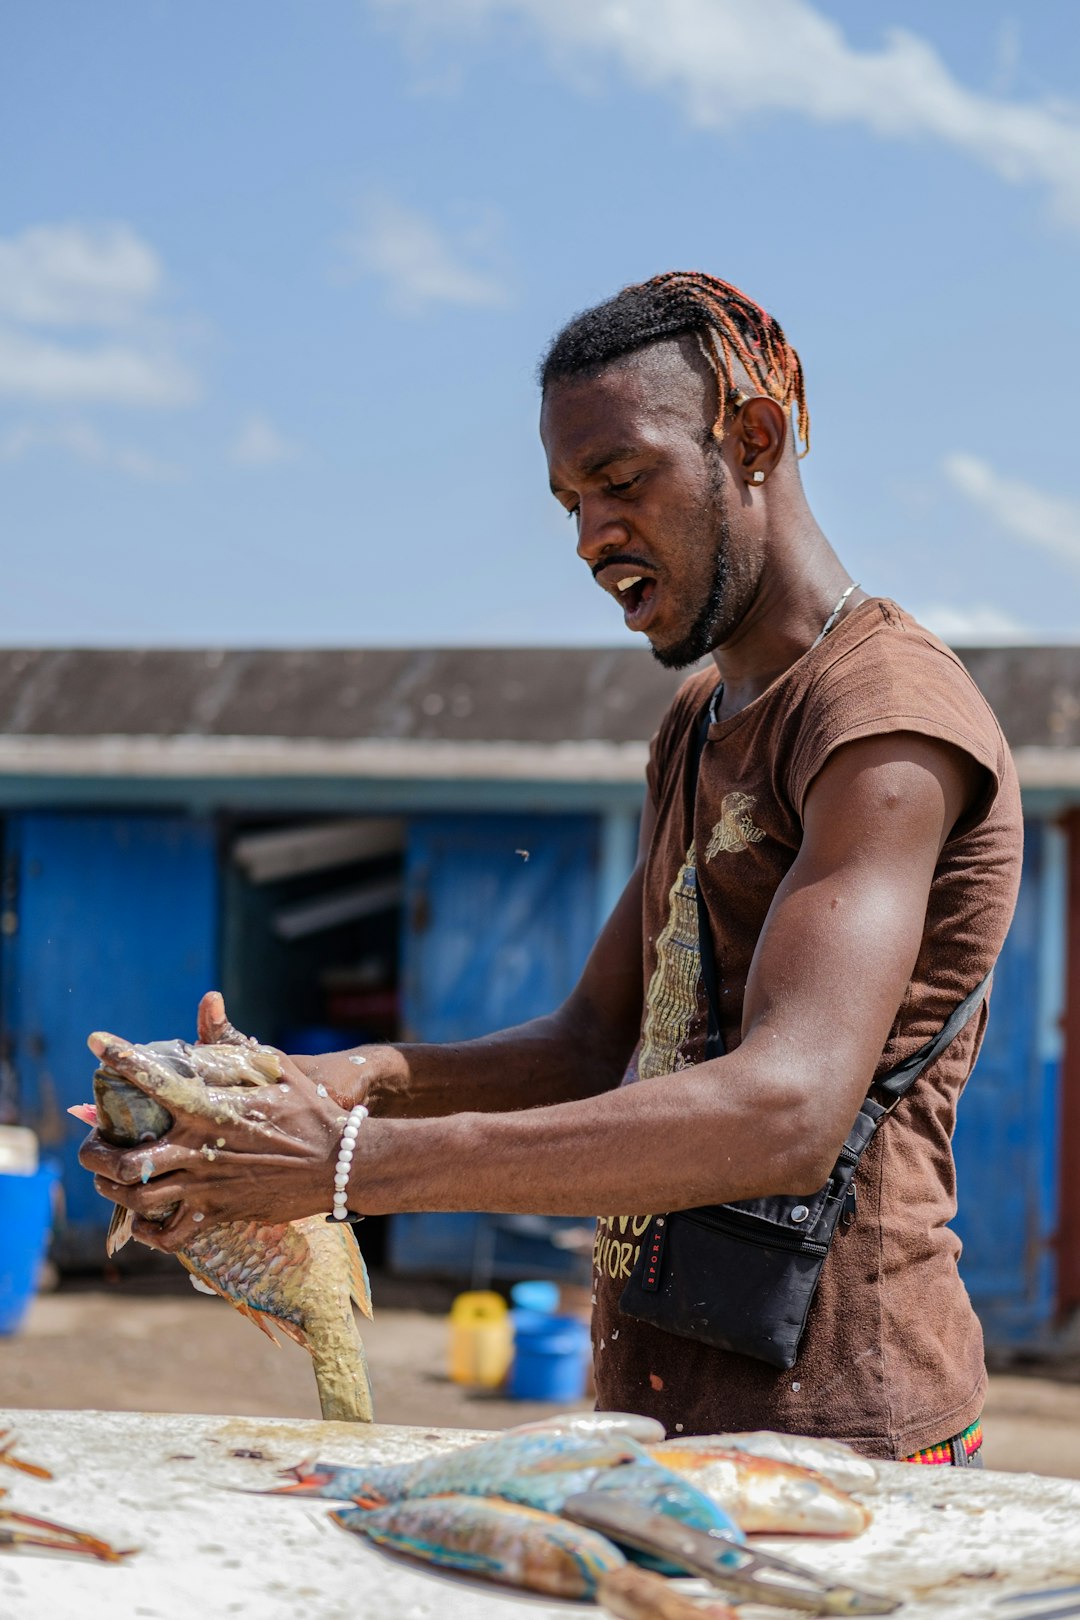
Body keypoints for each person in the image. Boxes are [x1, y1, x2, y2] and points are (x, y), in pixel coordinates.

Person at [81, 271, 1022, 1463]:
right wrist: (327, 1084)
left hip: (849, 1437)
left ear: (753, 438)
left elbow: (787, 1107)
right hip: (661, 1414)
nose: (589, 539)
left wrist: (351, 1168)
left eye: (621, 482)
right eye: (569, 502)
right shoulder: (699, 722)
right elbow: (588, 1044)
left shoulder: (882, 724)